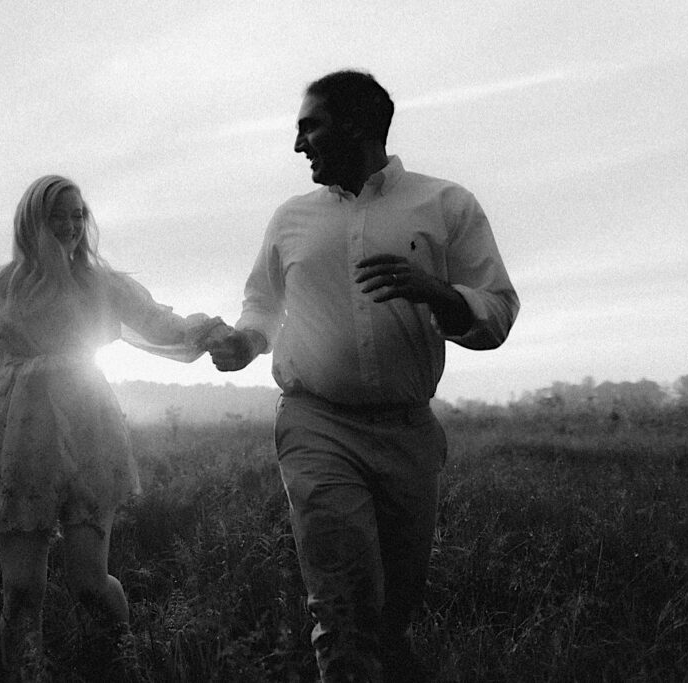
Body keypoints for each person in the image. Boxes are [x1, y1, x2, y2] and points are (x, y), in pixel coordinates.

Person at [208, 70, 519, 683]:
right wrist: (244, 342)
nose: (300, 146)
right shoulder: (292, 218)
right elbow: (263, 305)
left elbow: (497, 311)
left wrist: (440, 294)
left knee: (392, 613)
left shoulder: (446, 204)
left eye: (310, 128)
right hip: (315, 422)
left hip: (408, 432)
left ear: (356, 125)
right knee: (343, 608)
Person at [0, 174, 227, 682]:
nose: (71, 226)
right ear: (31, 221)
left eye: (78, 215)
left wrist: (211, 333)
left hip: (88, 430)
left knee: (89, 582)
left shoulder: (99, 282)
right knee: (22, 590)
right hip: (21, 437)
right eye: (58, 215)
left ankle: (128, 661)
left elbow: (159, 321)